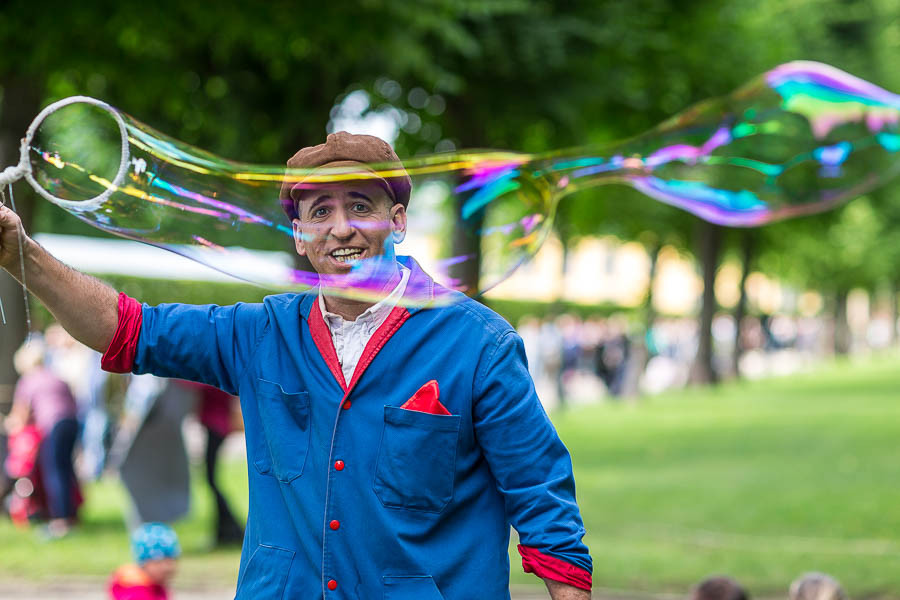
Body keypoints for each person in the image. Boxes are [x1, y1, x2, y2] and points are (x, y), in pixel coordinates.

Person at [0, 131, 592, 599]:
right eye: (321, 210)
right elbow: (129, 330)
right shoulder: (260, 332)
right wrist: (18, 252)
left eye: (361, 205)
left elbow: (543, 502)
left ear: (398, 221)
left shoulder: (478, 343)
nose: (341, 227)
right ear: (299, 232)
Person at [7, 339, 80, 537]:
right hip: (72, 423)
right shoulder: (56, 376)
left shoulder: (28, 380)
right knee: (66, 469)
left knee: (54, 471)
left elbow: (19, 417)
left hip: (53, 426)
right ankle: (72, 514)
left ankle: (61, 522)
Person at [108, 521, 180, 600]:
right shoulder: (137, 594)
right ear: (143, 563)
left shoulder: (155, 587)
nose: (166, 567)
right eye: (158, 562)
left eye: (170, 559)